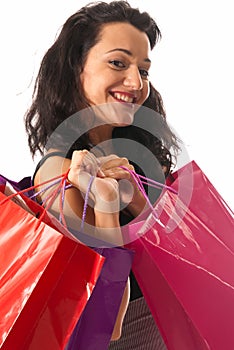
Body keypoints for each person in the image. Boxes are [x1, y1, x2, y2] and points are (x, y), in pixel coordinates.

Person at [25, 0, 180, 348]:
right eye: (117, 63)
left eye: (144, 69)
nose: (136, 81)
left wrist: (140, 202)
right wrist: (107, 205)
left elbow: (186, 266)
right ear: (75, 68)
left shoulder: (141, 154)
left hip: (170, 331)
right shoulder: (59, 172)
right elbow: (106, 321)